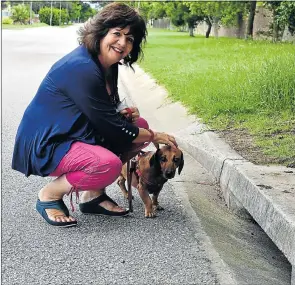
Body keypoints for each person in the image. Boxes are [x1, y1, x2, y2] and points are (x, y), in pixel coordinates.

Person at [11, 2, 177, 227]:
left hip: (74, 131)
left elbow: (105, 110)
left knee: (140, 124)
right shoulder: (82, 67)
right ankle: (49, 195)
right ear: (101, 32)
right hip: (48, 143)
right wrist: (153, 135)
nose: (122, 43)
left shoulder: (109, 65)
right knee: (107, 164)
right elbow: (112, 128)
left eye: (130, 39)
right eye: (117, 33)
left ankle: (92, 196)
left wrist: (124, 112)